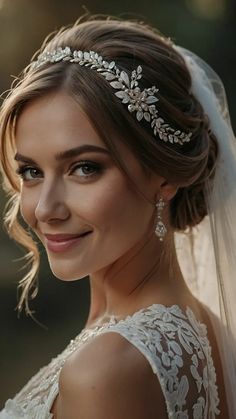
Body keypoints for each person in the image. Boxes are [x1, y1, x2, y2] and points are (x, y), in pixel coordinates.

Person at [0, 15, 235, 419]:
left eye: (85, 168)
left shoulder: (106, 369)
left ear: (164, 176)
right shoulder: (206, 325)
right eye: (32, 172)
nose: (44, 209)